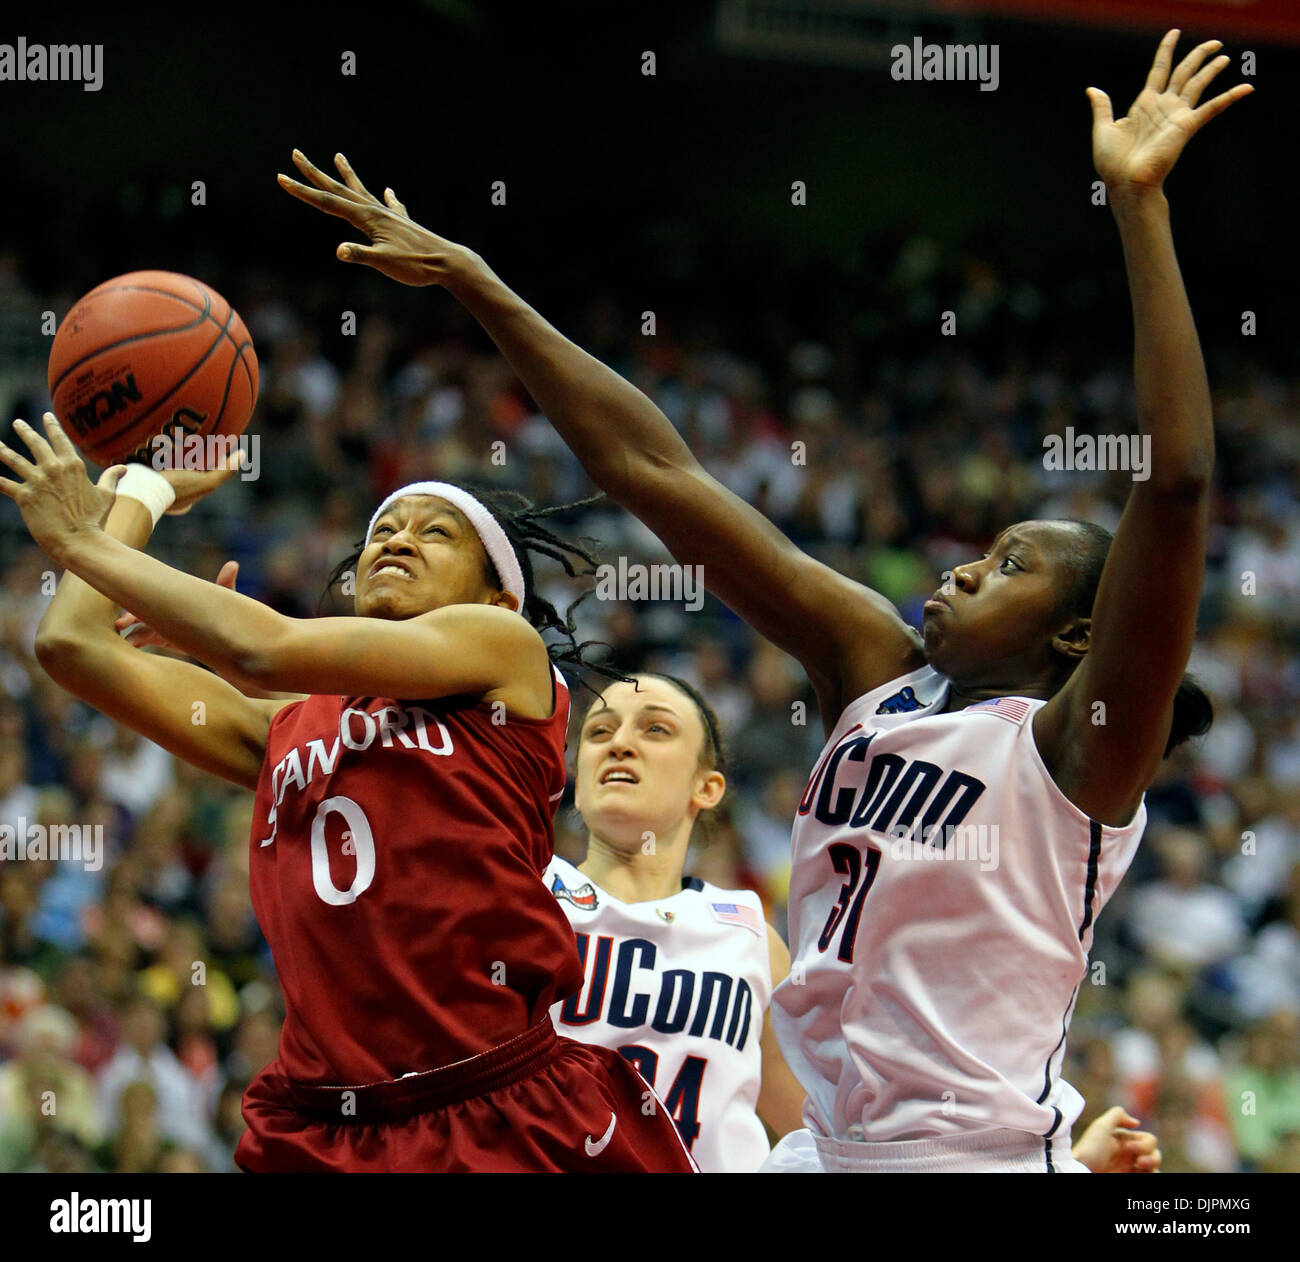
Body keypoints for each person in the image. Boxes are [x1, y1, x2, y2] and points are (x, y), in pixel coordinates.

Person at [275, 28, 1243, 1170]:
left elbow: (1174, 485)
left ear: (1081, 633)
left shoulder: (1078, 750)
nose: (962, 568)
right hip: (822, 1149)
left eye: (1010, 565)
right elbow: (656, 474)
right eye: (980, 551)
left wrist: (1136, 206)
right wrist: (479, 286)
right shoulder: (873, 671)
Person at [0, 430, 696, 1172]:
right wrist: (142, 494)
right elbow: (71, 645)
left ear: (498, 597)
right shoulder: (282, 729)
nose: (398, 539)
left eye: (436, 532)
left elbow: (259, 649)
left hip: (493, 1101)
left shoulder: (507, 656)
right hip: (329, 1127)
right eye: (382, 532)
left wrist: (85, 543)